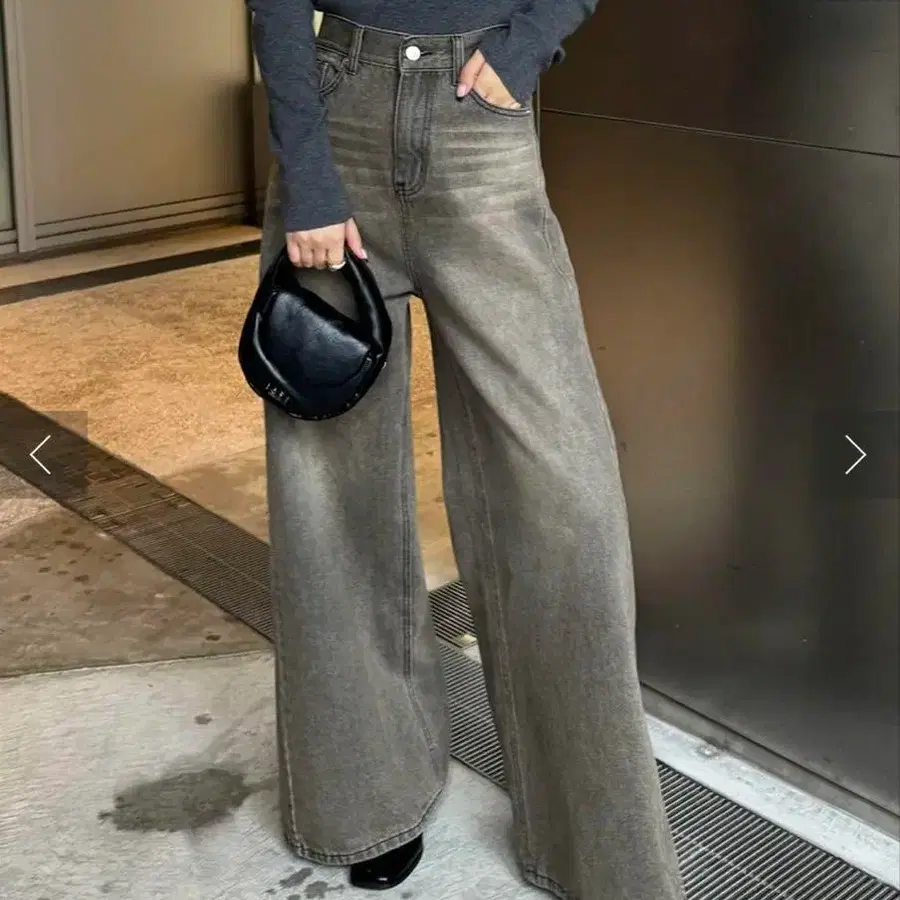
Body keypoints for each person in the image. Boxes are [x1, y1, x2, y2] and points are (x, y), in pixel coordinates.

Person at [248, 3, 685, 898]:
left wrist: (528, 44)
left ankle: (594, 839)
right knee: (332, 498)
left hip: (480, 127)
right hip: (340, 118)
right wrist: (309, 177)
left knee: (567, 497)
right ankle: (366, 801)